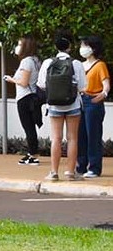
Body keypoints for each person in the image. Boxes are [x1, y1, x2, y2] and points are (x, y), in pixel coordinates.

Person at [38, 35, 87, 181]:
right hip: (73, 105)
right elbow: (82, 86)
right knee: (72, 138)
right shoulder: (76, 63)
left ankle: (54, 172)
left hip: (54, 105)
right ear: (70, 47)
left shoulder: (48, 63)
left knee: (56, 138)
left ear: (55, 47)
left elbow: (41, 84)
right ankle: (71, 172)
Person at [3, 35, 43, 166]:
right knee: (30, 126)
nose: (17, 47)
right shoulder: (36, 60)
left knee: (28, 127)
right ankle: (32, 153)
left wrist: (10, 79)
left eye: (20, 44)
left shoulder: (26, 61)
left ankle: (33, 155)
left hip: (25, 98)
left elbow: (24, 82)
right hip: (32, 97)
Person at [76, 35, 108, 179]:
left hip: (93, 101)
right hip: (80, 100)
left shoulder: (100, 65)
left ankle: (94, 167)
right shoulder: (80, 65)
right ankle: (81, 165)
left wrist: (103, 94)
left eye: (85, 45)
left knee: (93, 135)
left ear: (93, 48)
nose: (82, 48)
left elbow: (106, 84)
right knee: (80, 135)